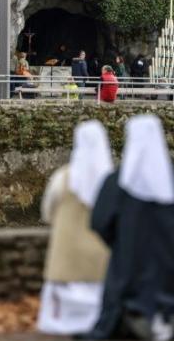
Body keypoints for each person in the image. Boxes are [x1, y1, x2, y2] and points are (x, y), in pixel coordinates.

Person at [86, 115, 174, 340]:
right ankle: (168, 312)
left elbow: (99, 221)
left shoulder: (117, 181)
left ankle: (134, 313)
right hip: (170, 261)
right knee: (173, 288)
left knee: (124, 289)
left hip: (129, 260)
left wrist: (118, 241)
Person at [37, 121, 114, 335]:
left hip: (67, 256)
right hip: (100, 259)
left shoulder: (63, 177)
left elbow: (47, 211)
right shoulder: (111, 181)